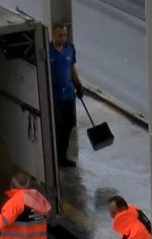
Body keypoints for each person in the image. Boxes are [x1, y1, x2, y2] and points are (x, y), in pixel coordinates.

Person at [49, 23, 85, 168]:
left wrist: (78, 86)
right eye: (60, 35)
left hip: (68, 95)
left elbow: (71, 69)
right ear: (53, 35)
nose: (63, 38)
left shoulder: (70, 49)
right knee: (57, 126)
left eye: (64, 35)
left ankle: (62, 157)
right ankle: (54, 156)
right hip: (55, 97)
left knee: (67, 127)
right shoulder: (47, 51)